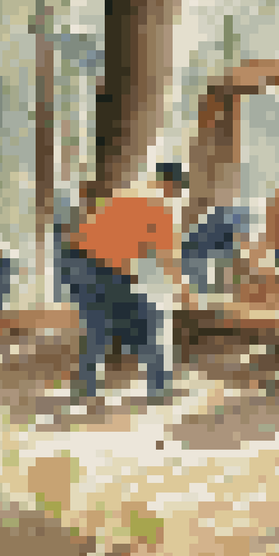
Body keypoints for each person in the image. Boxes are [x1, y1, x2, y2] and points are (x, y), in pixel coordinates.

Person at [60, 163, 187, 404]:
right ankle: (159, 387)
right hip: (105, 270)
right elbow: (166, 257)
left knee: (95, 326)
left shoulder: (131, 192)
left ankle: (84, 389)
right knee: (151, 321)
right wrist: (183, 288)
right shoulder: (161, 207)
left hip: (78, 261)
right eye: (180, 190)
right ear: (173, 186)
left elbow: (112, 235)